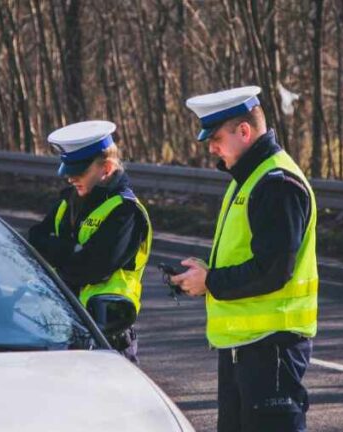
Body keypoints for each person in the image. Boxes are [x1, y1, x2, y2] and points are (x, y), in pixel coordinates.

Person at [171, 86, 318, 432]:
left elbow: (273, 270)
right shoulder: (249, 178)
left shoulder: (275, 182)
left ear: (244, 131)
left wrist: (211, 281)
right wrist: (208, 275)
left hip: (271, 348)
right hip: (247, 348)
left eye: (217, 138)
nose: (211, 148)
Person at [28, 120, 152, 363]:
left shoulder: (126, 211)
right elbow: (34, 239)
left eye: (79, 172)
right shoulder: (69, 203)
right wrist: (72, 251)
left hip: (108, 332)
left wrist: (59, 253)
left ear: (105, 169)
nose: (70, 179)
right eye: (69, 171)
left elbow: (91, 268)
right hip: (66, 326)